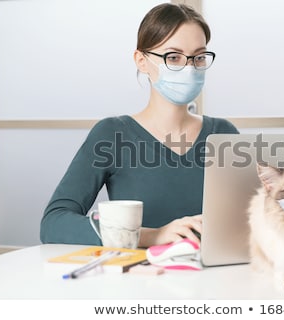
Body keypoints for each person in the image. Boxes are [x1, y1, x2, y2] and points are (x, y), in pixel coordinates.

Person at [40, 3, 239, 247]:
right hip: (139, 281)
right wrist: (151, 236)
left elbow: (251, 219)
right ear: (142, 61)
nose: (189, 68)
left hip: (214, 279)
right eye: (173, 57)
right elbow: (54, 223)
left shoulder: (223, 134)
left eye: (198, 58)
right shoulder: (112, 135)